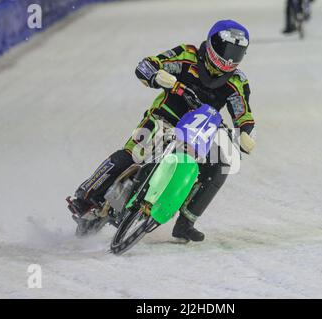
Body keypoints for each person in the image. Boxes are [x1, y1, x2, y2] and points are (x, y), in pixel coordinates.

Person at [68, 20, 256, 242]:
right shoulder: (187, 55)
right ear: (213, 42)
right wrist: (156, 76)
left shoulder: (236, 81)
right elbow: (147, 65)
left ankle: (186, 223)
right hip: (162, 118)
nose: (230, 58)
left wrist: (245, 131)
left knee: (219, 166)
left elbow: (242, 112)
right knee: (134, 153)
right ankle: (88, 194)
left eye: (237, 52)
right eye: (227, 50)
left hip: (199, 134)